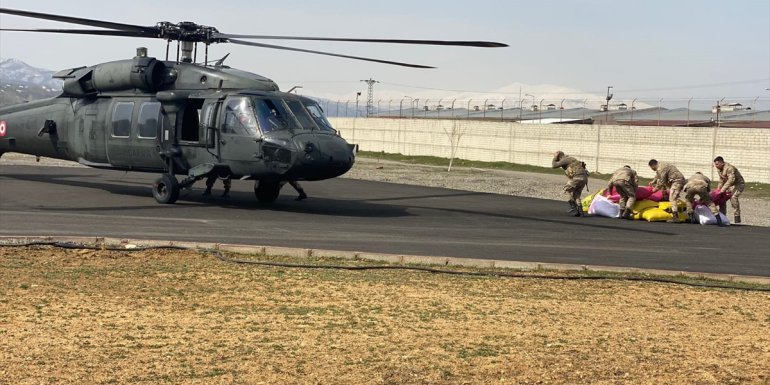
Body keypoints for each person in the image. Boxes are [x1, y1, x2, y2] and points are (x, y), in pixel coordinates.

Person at [552, 151, 589, 216]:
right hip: (584, 179)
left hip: (577, 177)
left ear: (559, 156)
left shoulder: (564, 159)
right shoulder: (571, 159)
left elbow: (554, 165)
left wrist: (555, 157)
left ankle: (573, 206)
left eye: (556, 156)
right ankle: (580, 212)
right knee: (576, 194)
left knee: (566, 190)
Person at [713, 156, 745, 224]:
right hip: (729, 185)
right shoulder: (719, 169)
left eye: (717, 164)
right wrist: (718, 190)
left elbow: (731, 180)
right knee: (721, 197)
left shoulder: (729, 168)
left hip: (738, 184)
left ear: (722, 163)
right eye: (715, 164)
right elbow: (721, 180)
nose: (716, 166)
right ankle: (722, 216)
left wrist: (723, 189)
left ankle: (737, 216)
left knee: (733, 197)